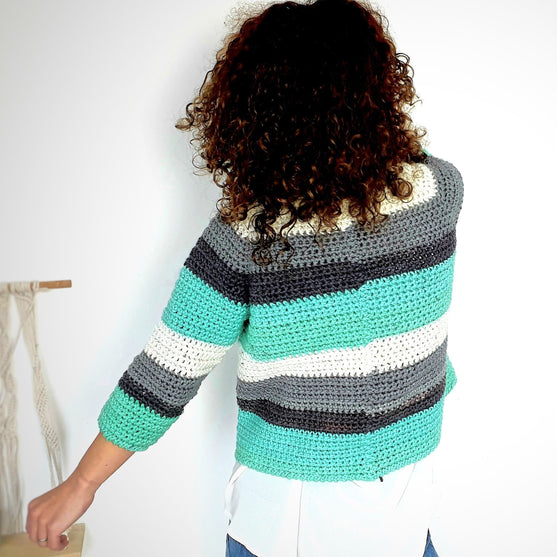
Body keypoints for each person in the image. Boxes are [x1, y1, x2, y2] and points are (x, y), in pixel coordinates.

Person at [25, 0, 464, 555]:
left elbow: (168, 371)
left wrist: (80, 485)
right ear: (377, 91)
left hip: (292, 516)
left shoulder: (250, 237)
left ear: (255, 111)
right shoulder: (439, 191)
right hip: (404, 504)